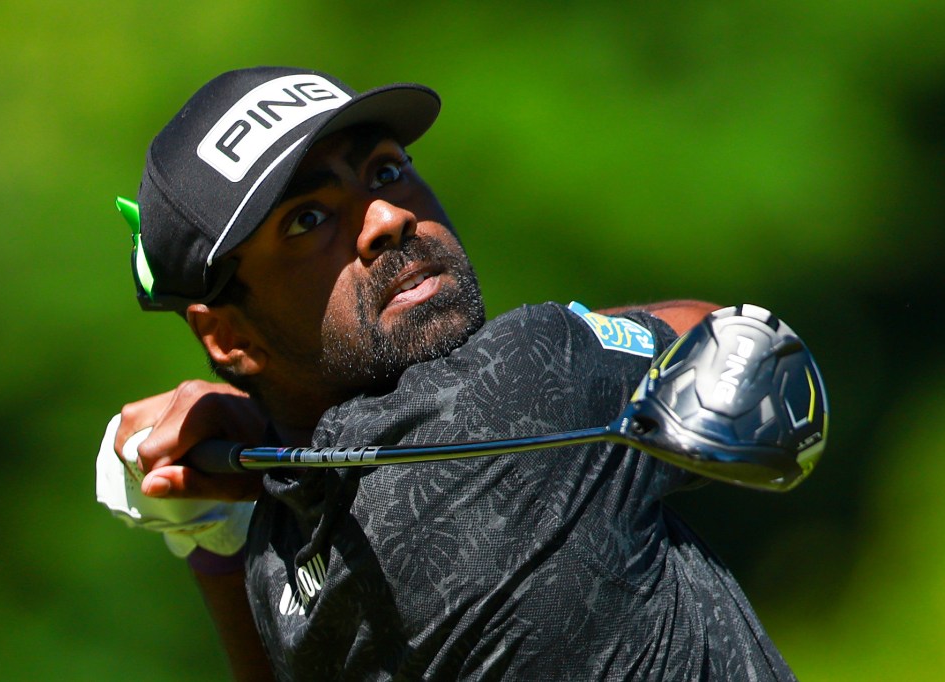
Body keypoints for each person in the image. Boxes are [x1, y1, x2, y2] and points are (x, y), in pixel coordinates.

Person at [102, 66, 796, 680]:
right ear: (226, 334)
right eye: (308, 219)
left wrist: (211, 536)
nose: (388, 218)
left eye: (385, 170)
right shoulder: (530, 371)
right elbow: (727, 331)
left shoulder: (276, 565)